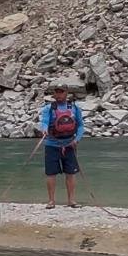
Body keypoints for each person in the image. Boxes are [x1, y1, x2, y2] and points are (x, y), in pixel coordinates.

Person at [35, 78, 84, 208]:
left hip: (70, 145)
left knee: (71, 173)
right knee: (51, 173)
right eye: (57, 92)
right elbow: (44, 122)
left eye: (61, 92)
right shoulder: (48, 108)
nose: (59, 94)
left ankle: (71, 200)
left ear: (66, 93)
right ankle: (51, 201)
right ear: (54, 94)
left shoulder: (74, 108)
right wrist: (44, 130)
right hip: (52, 144)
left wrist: (77, 139)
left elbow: (80, 126)